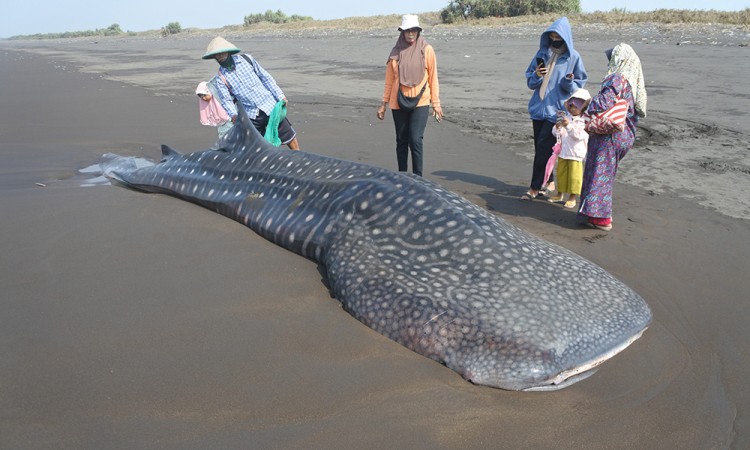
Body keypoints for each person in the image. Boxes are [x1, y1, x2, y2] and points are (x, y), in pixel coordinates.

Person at [579, 43, 648, 231]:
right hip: (624, 135)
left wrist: (586, 104)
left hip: (610, 136)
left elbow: (604, 102)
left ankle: (601, 218)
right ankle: (592, 214)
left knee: (600, 174)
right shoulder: (631, 81)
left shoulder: (617, 78)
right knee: (604, 173)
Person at [522, 16, 587, 200]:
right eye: (551, 35)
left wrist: (568, 81)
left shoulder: (573, 57)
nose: (554, 39)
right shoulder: (542, 53)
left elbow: (578, 86)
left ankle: (534, 188)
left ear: (565, 36)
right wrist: (536, 75)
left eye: (557, 36)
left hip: (557, 112)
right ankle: (548, 181)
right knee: (542, 149)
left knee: (544, 148)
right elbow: (530, 81)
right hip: (538, 109)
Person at [202, 36, 300, 150]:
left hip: (270, 105)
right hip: (251, 114)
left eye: (222, 52)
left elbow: (265, 78)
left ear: (228, 51)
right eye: (217, 54)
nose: (220, 55)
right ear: (214, 56)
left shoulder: (247, 59)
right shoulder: (220, 77)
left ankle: (299, 157)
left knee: (288, 136)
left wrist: (280, 95)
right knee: (256, 145)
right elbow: (226, 100)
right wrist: (234, 115)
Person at [376, 14, 443, 177]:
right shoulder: (395, 52)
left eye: (414, 30)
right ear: (402, 32)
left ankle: (418, 177)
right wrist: (383, 103)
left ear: (419, 31)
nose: (411, 34)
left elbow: (433, 77)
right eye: (407, 31)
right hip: (397, 102)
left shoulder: (427, 50)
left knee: (415, 140)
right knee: (401, 141)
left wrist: (436, 103)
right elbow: (389, 80)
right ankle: (402, 176)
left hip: (421, 101)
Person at [547, 88, 591, 209]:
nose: (572, 109)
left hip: (576, 154)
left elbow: (578, 136)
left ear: (583, 107)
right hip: (563, 152)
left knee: (574, 177)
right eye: (570, 106)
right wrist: (557, 127)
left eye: (575, 106)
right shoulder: (567, 117)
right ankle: (559, 193)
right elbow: (556, 134)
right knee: (561, 174)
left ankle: (572, 197)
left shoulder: (585, 121)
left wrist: (568, 126)